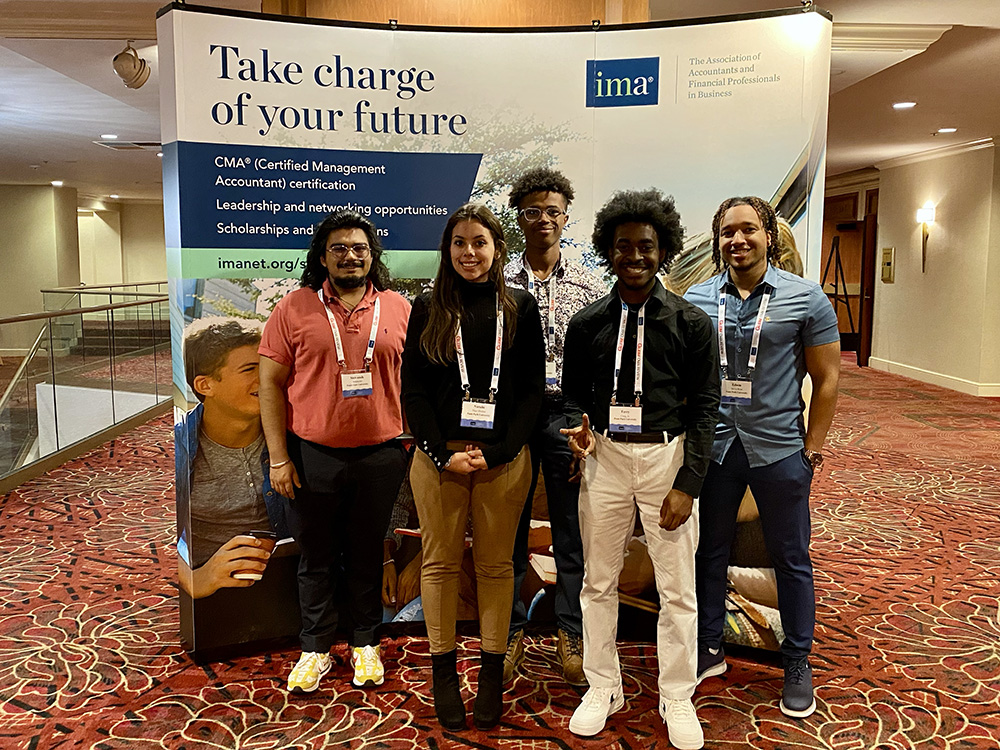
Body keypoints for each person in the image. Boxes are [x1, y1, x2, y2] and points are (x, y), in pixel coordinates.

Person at [562, 189, 719, 749]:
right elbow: (571, 399)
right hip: (604, 457)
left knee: (678, 588)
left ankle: (676, 692)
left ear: (663, 250)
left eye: (646, 246)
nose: (635, 256)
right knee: (596, 580)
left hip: (665, 458)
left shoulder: (691, 324)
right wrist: (575, 428)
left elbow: (705, 410)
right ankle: (603, 685)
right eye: (623, 246)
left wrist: (688, 484)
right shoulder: (585, 325)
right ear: (609, 250)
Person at [684, 196, 840, 719]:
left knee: (791, 558)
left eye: (748, 230)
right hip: (717, 448)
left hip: (779, 449)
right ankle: (709, 645)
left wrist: (812, 450)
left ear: (769, 236)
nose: (738, 240)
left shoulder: (805, 299)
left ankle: (798, 660)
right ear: (717, 240)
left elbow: (828, 380)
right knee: (710, 550)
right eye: (728, 232)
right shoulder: (700, 299)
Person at [402, 203, 544, 730]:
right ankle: (443, 675)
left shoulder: (521, 308)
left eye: (479, 242)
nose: (469, 252)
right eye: (459, 243)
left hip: (502, 459)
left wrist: (501, 450)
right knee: (438, 565)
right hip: (440, 458)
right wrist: (442, 451)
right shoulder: (427, 308)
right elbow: (413, 391)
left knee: (495, 567)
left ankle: (489, 677)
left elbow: (531, 391)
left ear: (497, 249)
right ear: (447, 251)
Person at [258, 209, 411, 694]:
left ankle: (365, 640)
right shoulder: (295, 308)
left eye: (360, 248)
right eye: (340, 248)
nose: (351, 256)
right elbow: (269, 383)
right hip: (311, 454)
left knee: (367, 551)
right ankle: (316, 648)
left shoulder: (399, 308)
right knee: (316, 555)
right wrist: (279, 458)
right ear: (322, 257)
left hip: (381, 455)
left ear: (373, 256)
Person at [502, 167, 606, 686]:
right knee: (509, 530)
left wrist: (589, 423)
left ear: (566, 217)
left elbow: (601, 361)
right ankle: (510, 633)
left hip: (567, 414)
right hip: (512, 414)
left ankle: (571, 632)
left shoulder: (591, 286)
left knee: (571, 531)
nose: (543, 220)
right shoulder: (497, 283)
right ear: (519, 218)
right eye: (532, 211)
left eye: (552, 211)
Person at [176, 317, 289, 599]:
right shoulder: (177, 447)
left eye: (268, 365)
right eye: (251, 369)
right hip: (207, 592)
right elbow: (147, 538)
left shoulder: (294, 432)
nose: (267, 378)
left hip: (288, 585)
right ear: (205, 385)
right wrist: (194, 579)